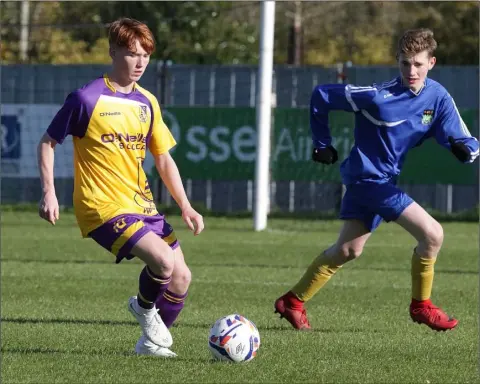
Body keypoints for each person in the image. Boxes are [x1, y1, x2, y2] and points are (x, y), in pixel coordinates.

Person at [274, 28, 479, 332]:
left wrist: (465, 150)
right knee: (433, 235)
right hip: (369, 181)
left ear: (431, 63)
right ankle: (421, 306)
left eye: (418, 64)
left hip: (380, 180)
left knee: (347, 251)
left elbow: (464, 139)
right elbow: (321, 96)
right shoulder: (377, 97)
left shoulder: (438, 97)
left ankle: (293, 301)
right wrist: (322, 143)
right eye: (405, 63)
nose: (411, 70)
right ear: (397, 61)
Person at [37, 17, 204, 357]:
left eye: (145, 54)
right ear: (113, 52)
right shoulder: (86, 99)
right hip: (101, 206)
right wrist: (49, 192)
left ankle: (149, 345)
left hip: (141, 204)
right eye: (131, 53)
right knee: (162, 261)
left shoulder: (147, 102)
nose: (140, 62)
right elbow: (47, 142)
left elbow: (163, 159)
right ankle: (143, 308)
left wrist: (185, 205)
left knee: (181, 277)